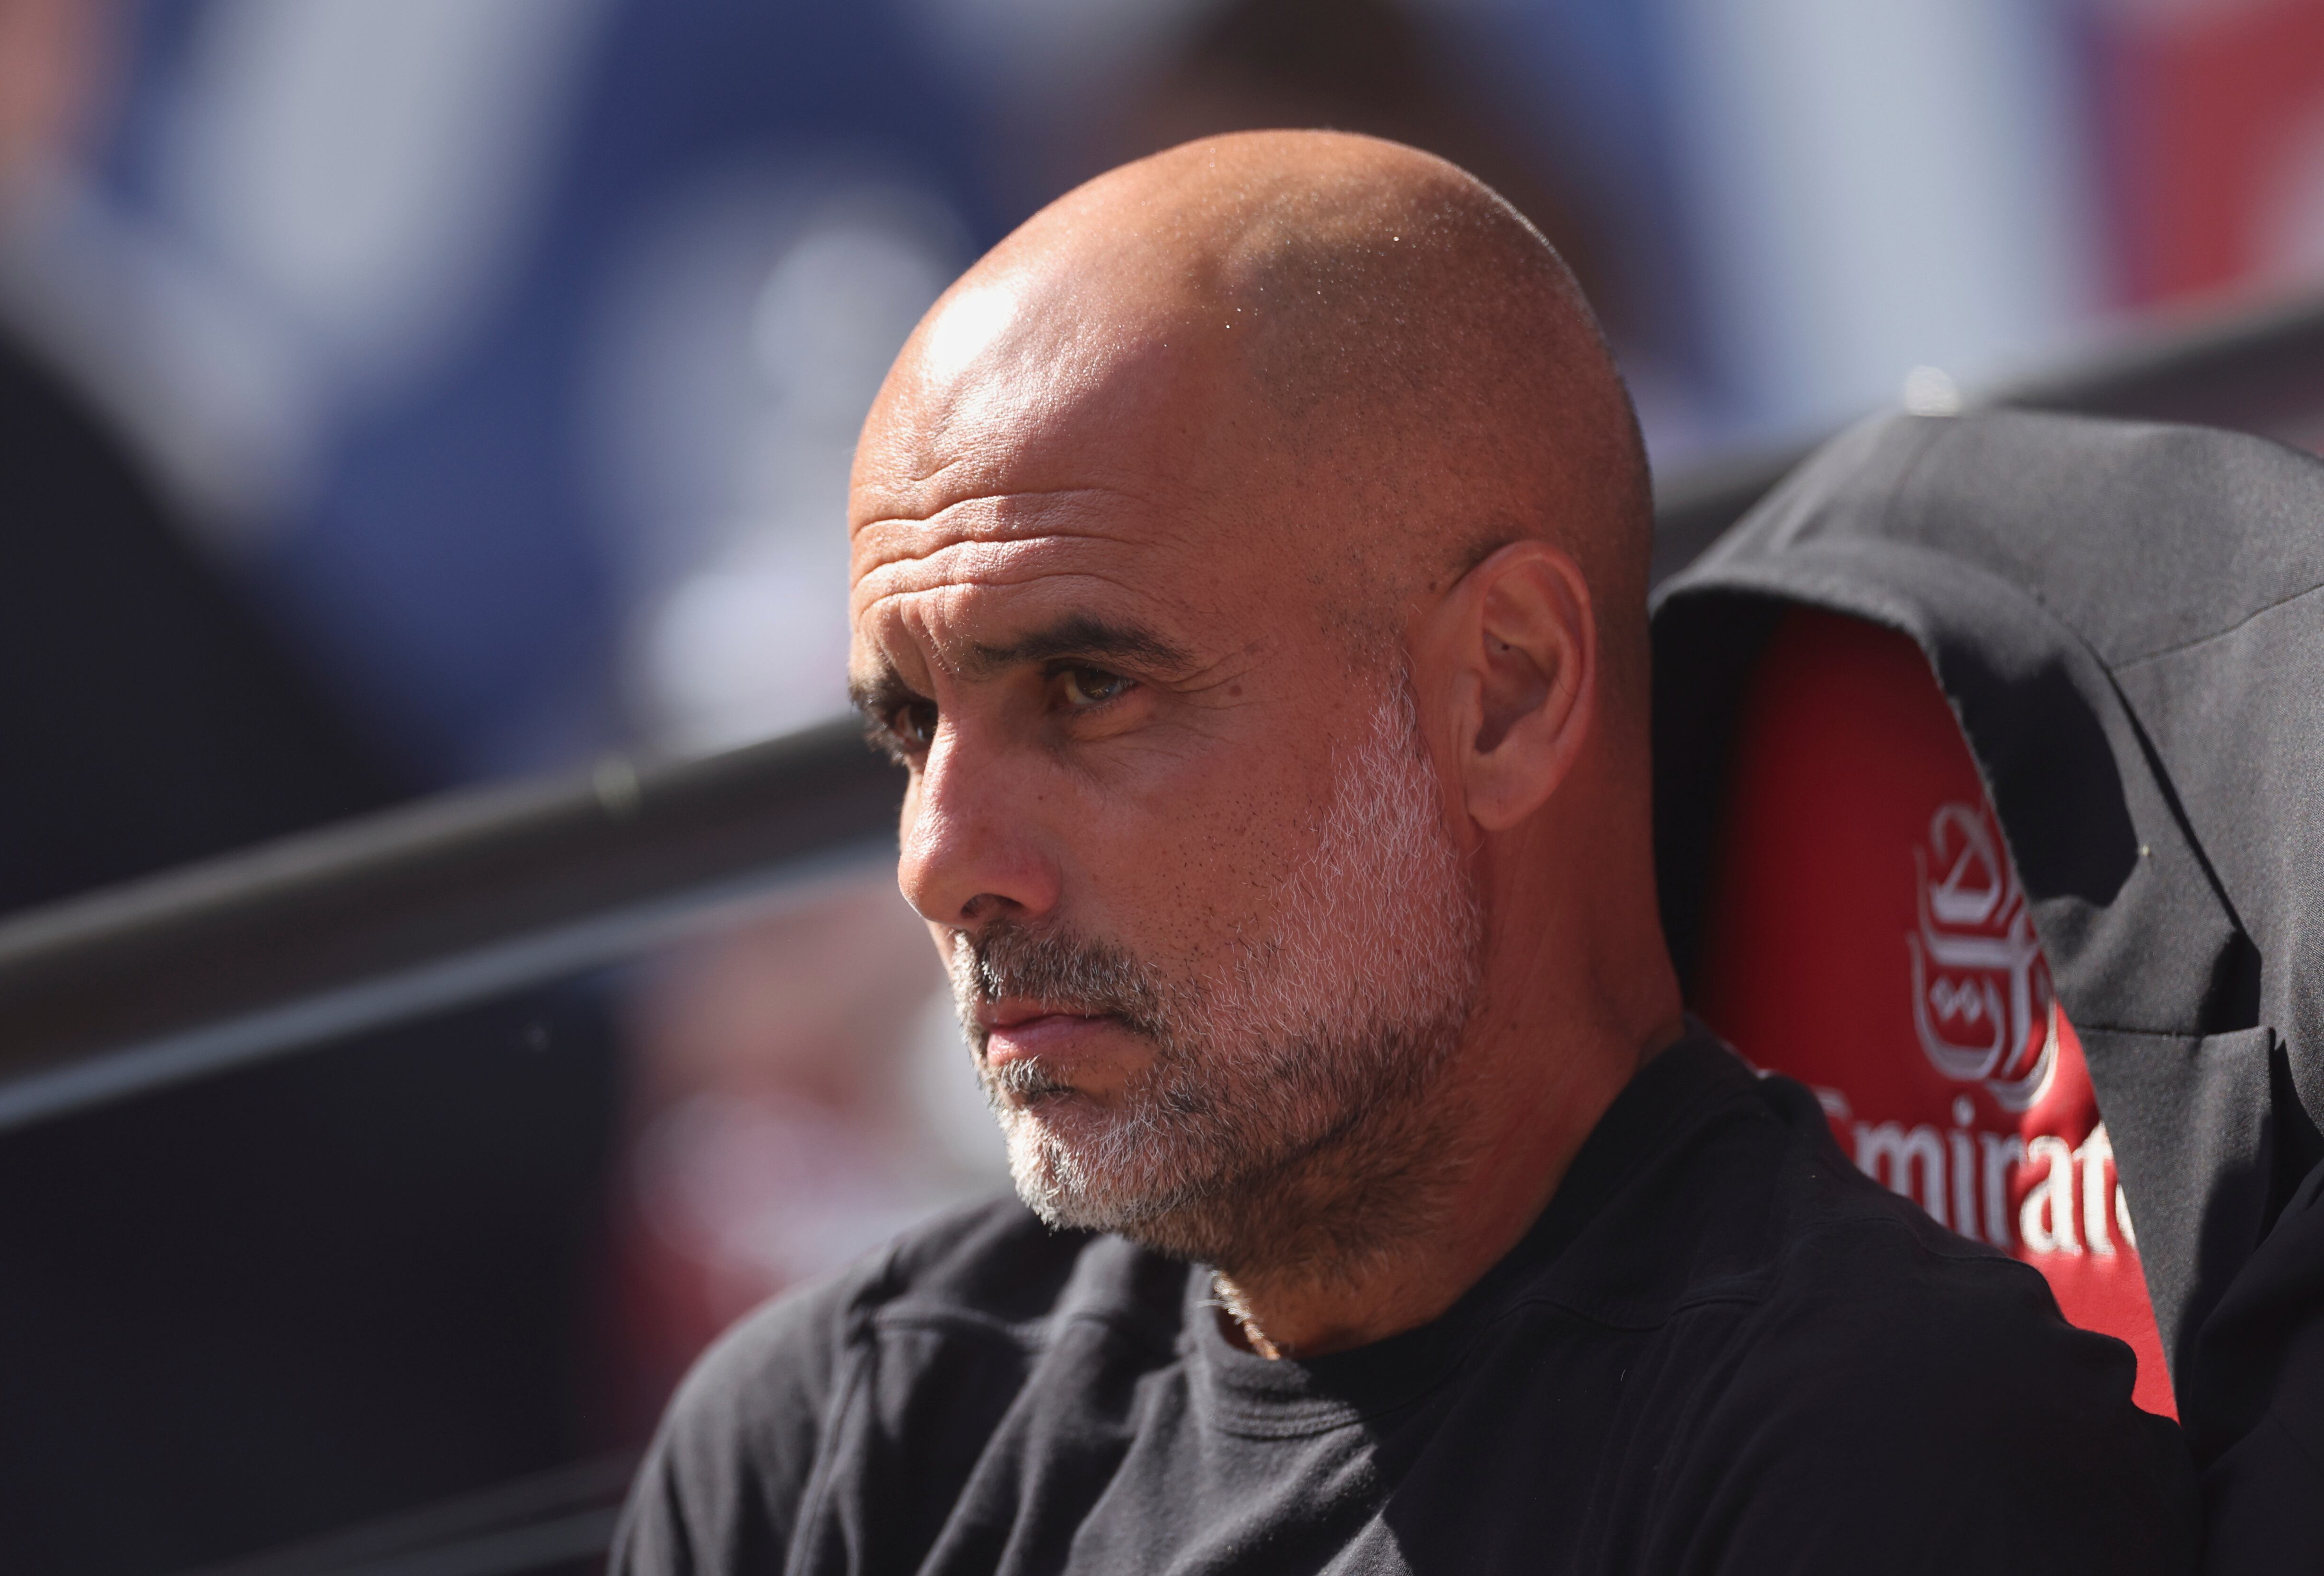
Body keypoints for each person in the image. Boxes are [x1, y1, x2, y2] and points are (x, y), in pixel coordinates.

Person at [612, 131, 2196, 1574]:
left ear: (1501, 690)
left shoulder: (1875, 1460)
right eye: (910, 731)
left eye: (1089, 690)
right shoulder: (827, 1446)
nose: (941, 860)